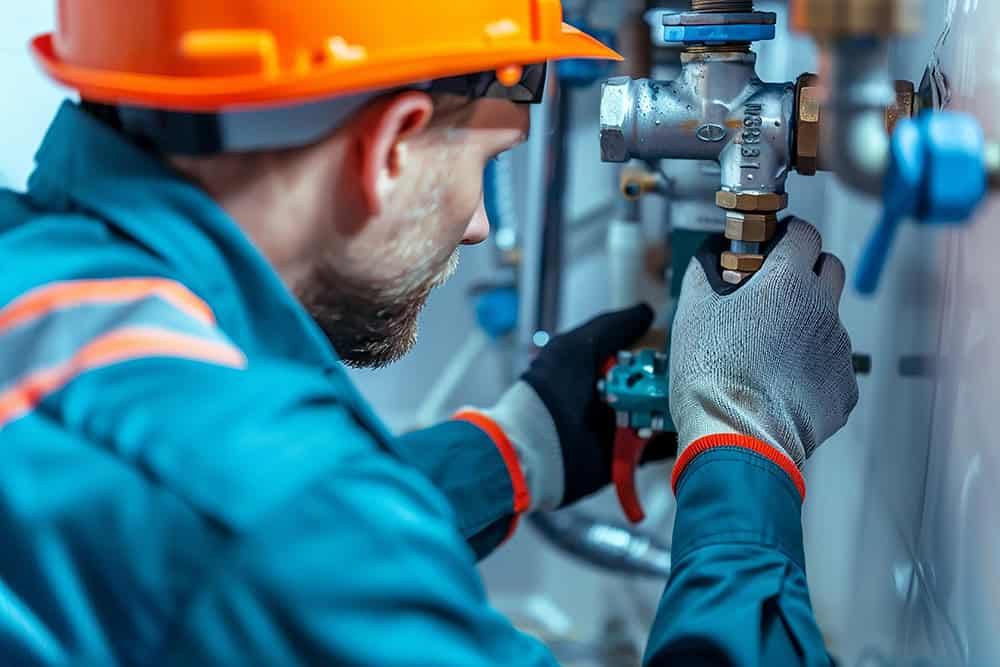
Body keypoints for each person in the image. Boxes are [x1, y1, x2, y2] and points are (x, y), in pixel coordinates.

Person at [0, 1, 858, 665]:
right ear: (394, 147)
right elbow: (266, 533)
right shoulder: (273, 510)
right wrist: (747, 444)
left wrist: (512, 449)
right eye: (488, 163)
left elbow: (179, 538)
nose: (482, 224)